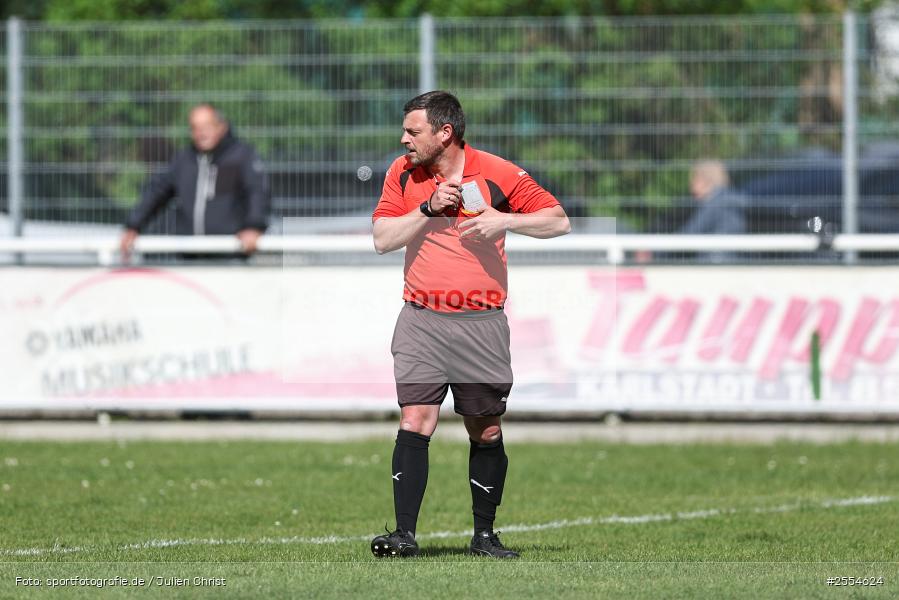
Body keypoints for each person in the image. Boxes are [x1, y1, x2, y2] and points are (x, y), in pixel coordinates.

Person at [369, 91, 570, 559]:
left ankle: (484, 536)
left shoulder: (499, 173)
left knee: (485, 429)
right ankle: (404, 534)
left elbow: (558, 221)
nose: (404, 140)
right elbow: (381, 239)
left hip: (481, 322)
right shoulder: (403, 174)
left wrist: (505, 220)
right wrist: (425, 210)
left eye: (413, 132)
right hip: (421, 318)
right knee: (415, 419)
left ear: (445, 133)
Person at [119, 103, 270, 260]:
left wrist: (254, 226)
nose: (201, 133)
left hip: (230, 254)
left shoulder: (241, 156)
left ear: (222, 127)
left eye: (206, 126)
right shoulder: (183, 159)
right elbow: (157, 191)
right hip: (189, 254)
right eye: (195, 128)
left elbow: (257, 192)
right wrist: (133, 226)